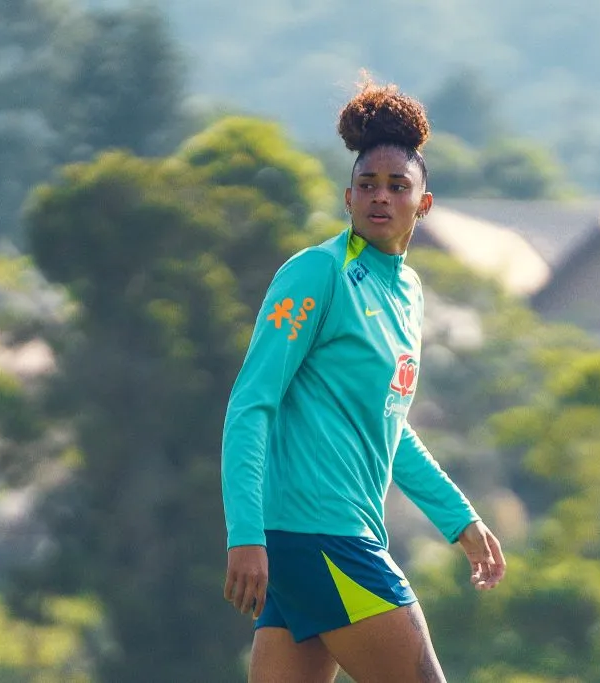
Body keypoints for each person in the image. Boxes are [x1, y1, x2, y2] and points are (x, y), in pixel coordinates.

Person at [220, 77, 506, 683]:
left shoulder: (408, 292)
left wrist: (460, 520)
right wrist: (245, 534)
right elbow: (252, 403)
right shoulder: (317, 273)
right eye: (368, 186)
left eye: (397, 187)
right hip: (322, 535)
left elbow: (390, 427)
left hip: (316, 543)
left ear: (422, 204)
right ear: (347, 198)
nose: (381, 198)